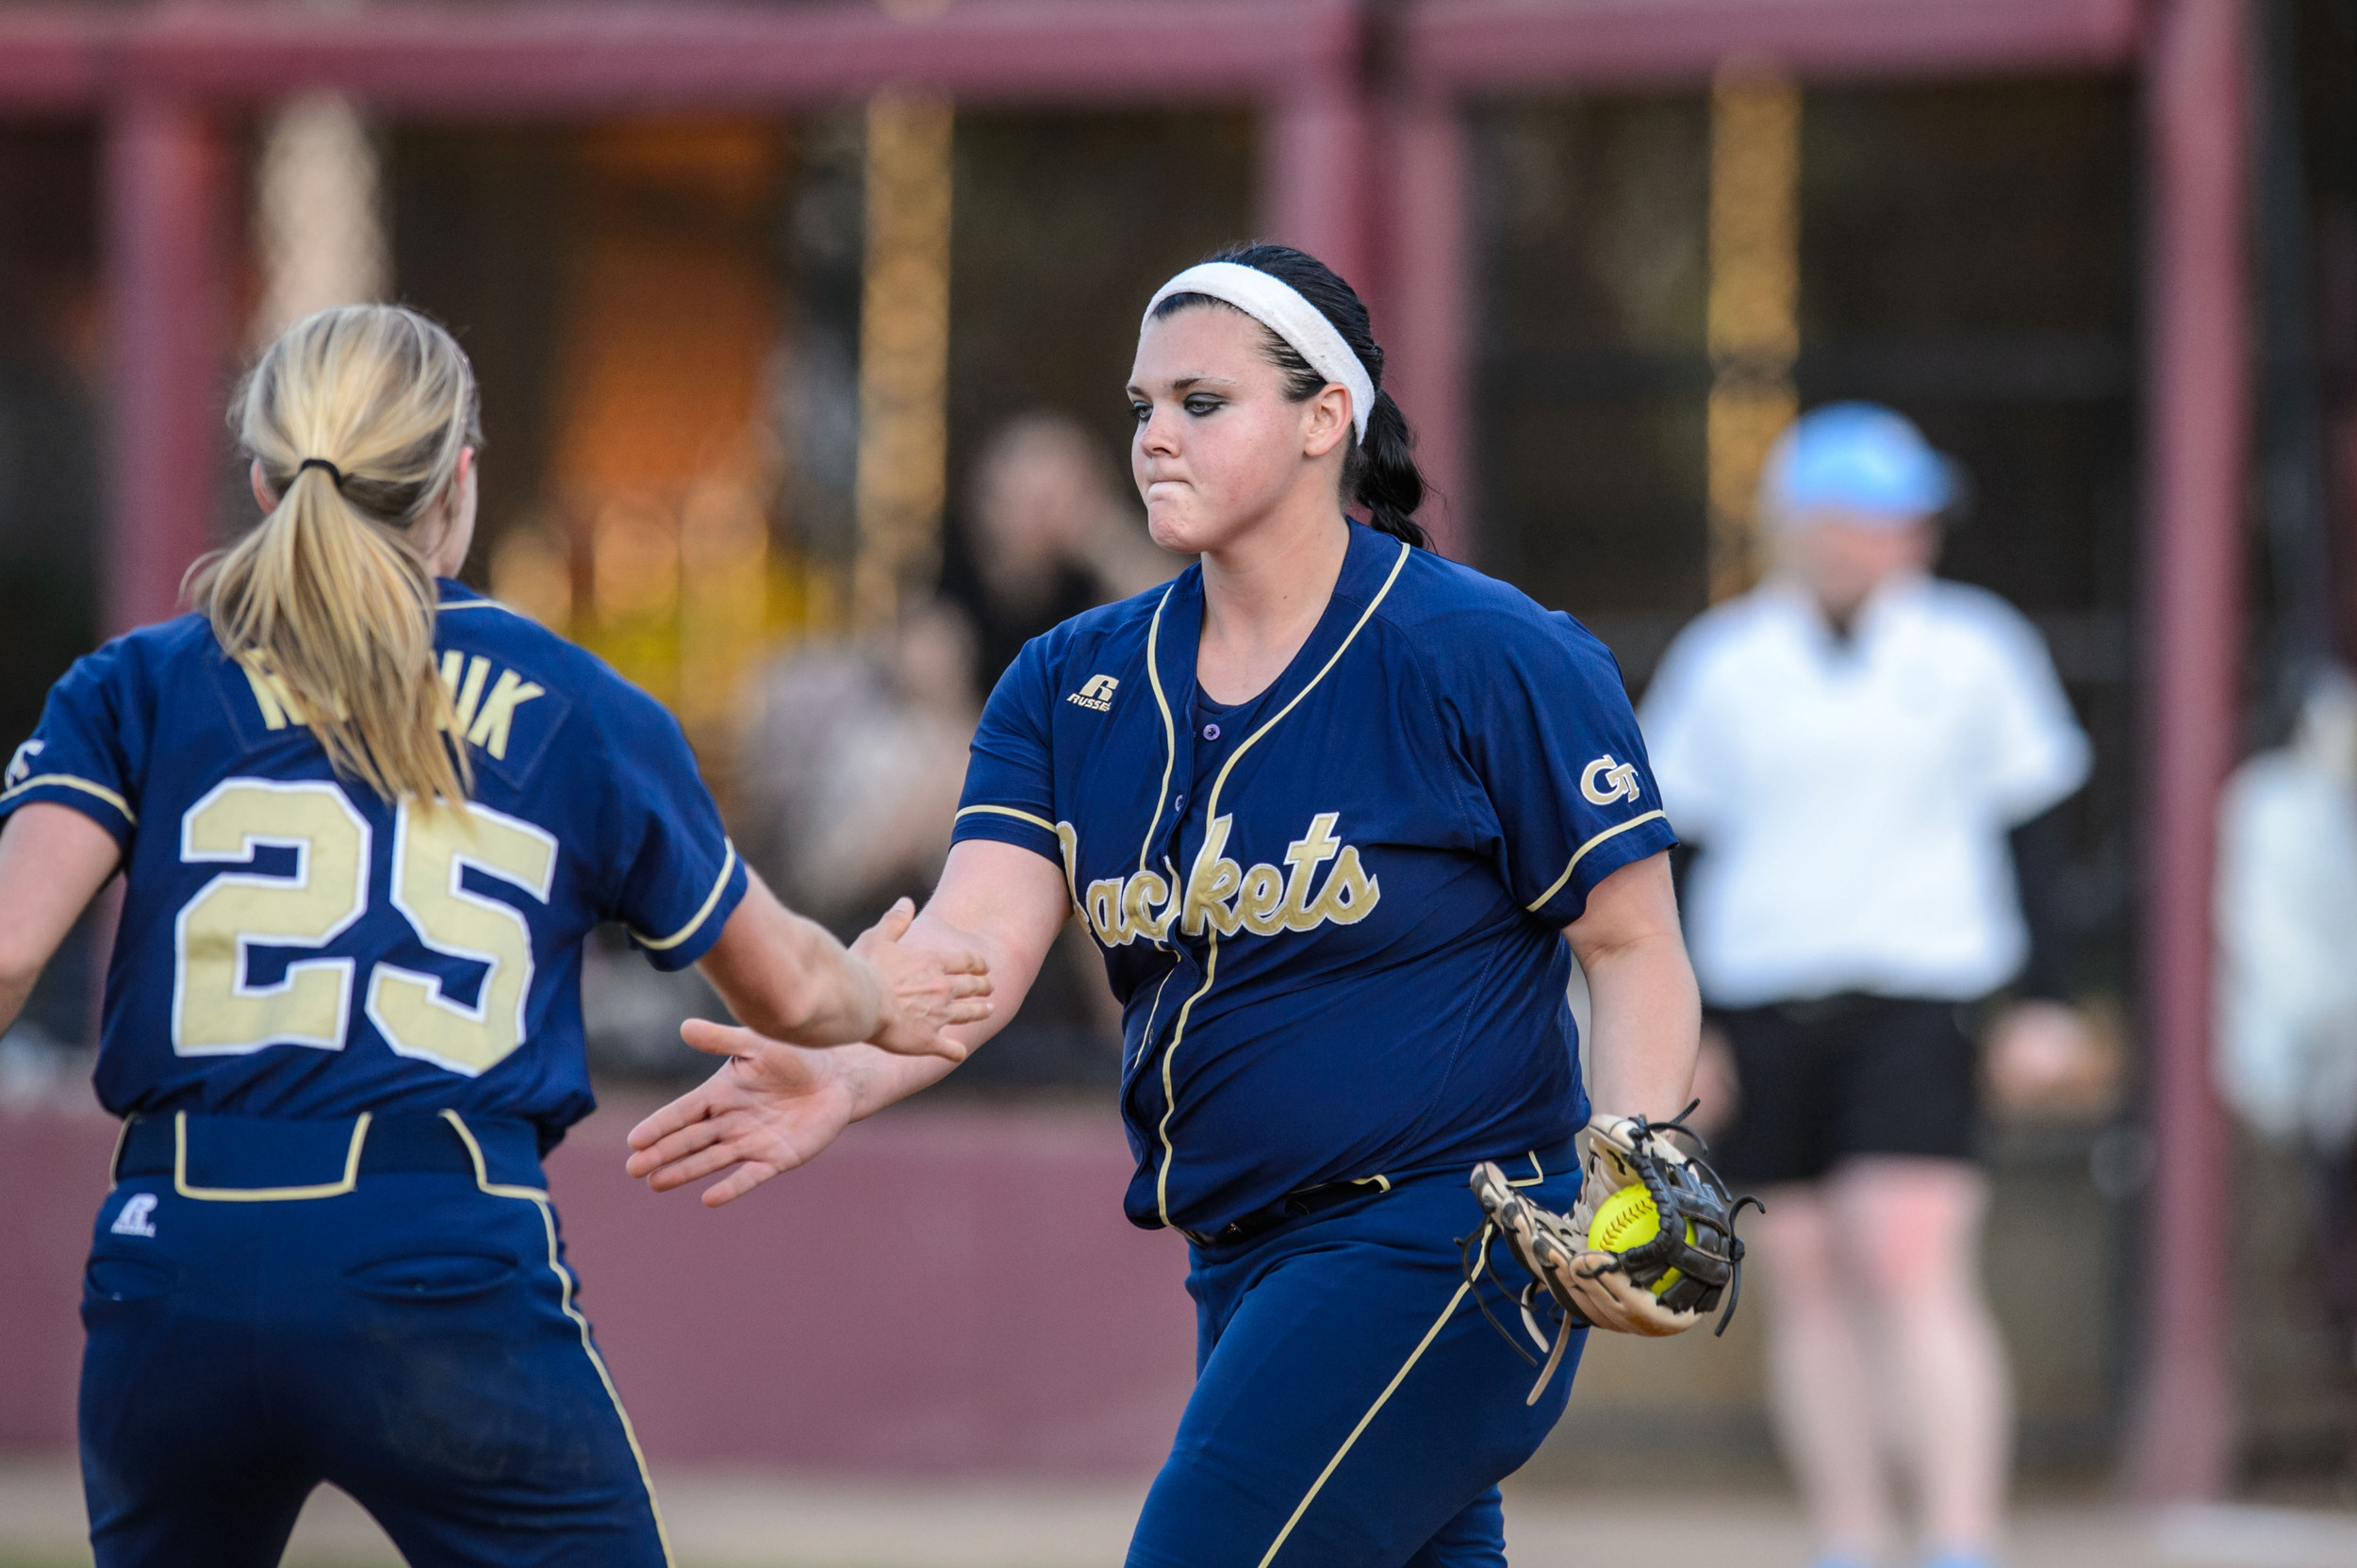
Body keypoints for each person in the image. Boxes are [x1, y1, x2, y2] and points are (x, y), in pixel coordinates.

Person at [626, 243, 1706, 1567]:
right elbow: (975, 950)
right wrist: (844, 1062)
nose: (1155, 437)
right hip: (1240, 1258)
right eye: (1143, 406)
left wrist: (1634, 1167)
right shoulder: (1067, 680)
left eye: (1203, 402)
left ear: (1326, 421)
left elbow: (1633, 939)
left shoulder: (1487, 652)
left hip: (1449, 1232)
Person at [0, 304, 989, 1567]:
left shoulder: (134, 682)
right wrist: (879, 993)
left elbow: (9, 947)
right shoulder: (574, 702)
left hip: (171, 1243)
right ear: (460, 479)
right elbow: (791, 984)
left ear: (261, 478)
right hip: (434, 1244)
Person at [1640, 404, 2093, 1568]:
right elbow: (1673, 854)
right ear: (1806, 525)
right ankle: (1849, 1536)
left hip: (1921, 992)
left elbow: (2035, 834)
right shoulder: (1724, 659)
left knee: (1903, 1248)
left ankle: (1956, 1536)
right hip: (1765, 995)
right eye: (1875, 513)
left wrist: (2046, 999)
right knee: (1801, 1270)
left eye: (1909, 514)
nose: (1902, 535)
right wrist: (1684, 1029)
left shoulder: (1977, 647)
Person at [2217, 664, 2357, 1374]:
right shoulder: (2270, 804)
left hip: (2337, 1060)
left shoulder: (2336, 809)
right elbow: (2274, 949)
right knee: (2287, 1229)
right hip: (2285, 1062)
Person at [941, 409, 1179, 688]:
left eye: (1070, 497)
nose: (1049, 521)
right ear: (988, 503)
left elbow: (1181, 617)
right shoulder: (949, 599)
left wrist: (1103, 534)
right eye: (1030, 501)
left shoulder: (1094, 588)